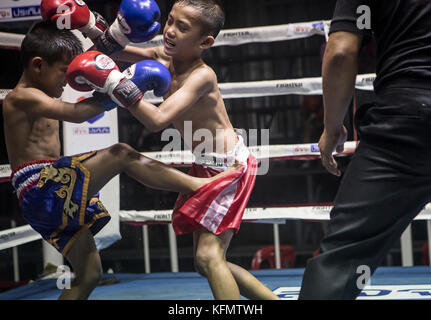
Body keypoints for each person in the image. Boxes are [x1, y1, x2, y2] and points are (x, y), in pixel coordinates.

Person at [3, 21, 239, 300]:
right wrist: (125, 86)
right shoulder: (22, 97)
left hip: (46, 194)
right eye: (63, 73)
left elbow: (90, 61)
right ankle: (198, 186)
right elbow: (79, 114)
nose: (67, 80)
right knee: (121, 154)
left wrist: (109, 35)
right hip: (42, 185)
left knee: (90, 275)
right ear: (38, 65)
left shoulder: (38, 90)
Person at [77, 0, 279, 300]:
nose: (170, 31)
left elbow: (157, 120)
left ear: (205, 41)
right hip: (207, 163)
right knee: (207, 262)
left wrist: (118, 84)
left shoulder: (202, 76)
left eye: (182, 28)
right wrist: (88, 24)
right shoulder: (162, 57)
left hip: (228, 168)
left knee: (208, 258)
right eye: (170, 21)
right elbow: (111, 52)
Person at [299, 0, 431, 299]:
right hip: (407, 117)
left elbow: (341, 51)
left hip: (405, 123)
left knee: (340, 261)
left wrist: (332, 128)